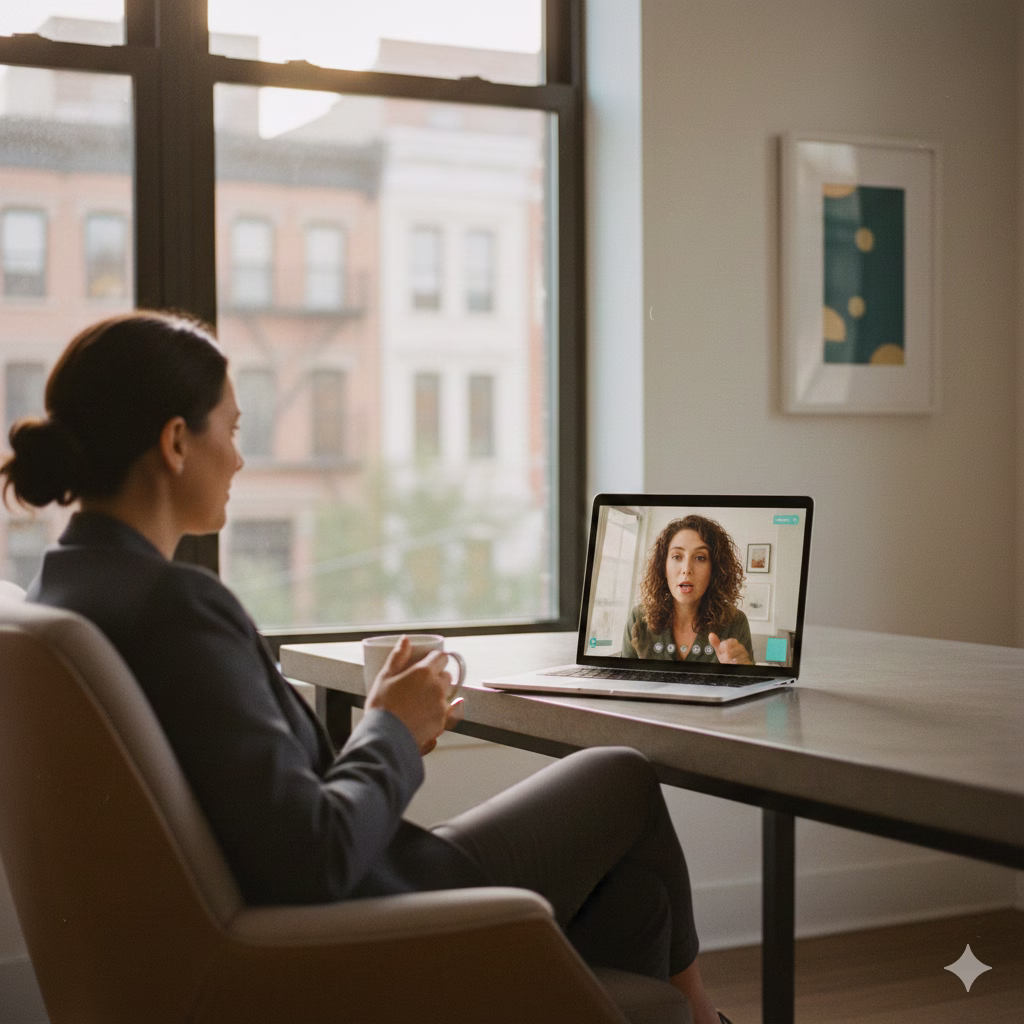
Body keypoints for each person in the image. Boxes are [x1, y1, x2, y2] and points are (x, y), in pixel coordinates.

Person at [1, 312, 733, 1024]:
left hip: (290, 913)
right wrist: (390, 727)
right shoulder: (173, 609)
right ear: (175, 443)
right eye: (231, 428)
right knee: (624, 777)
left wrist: (379, 731)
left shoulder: (62, 593)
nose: (240, 456)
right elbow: (310, 858)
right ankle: (705, 1015)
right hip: (366, 911)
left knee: (642, 901)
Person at [622, 516, 754, 666]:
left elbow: (752, 687)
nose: (686, 569)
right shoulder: (638, 618)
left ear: (714, 570)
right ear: (663, 567)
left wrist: (745, 670)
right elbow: (621, 683)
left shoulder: (736, 622)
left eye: (700, 558)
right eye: (677, 556)